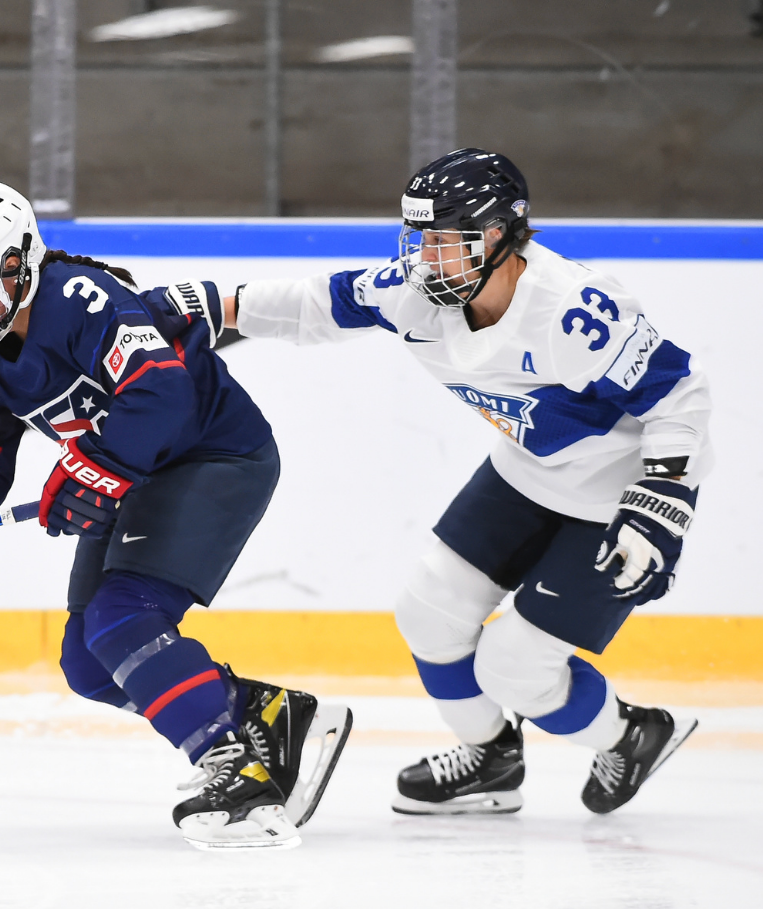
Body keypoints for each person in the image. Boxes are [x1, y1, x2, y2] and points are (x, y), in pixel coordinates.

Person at [225, 149, 707, 816]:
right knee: (429, 614)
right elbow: (317, 303)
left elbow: (680, 394)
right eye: (423, 238)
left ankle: (634, 735)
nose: (431, 258)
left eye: (453, 241)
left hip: (615, 499)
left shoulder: (574, 310)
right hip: (526, 474)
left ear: (507, 235)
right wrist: (211, 308)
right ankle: (491, 758)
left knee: (515, 666)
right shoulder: (416, 293)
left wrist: (663, 501)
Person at [0, 181, 351, 850]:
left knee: (123, 620)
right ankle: (265, 716)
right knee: (91, 664)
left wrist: (95, 467)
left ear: (15, 267)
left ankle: (234, 765)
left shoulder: (76, 298)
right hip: (130, 473)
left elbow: (160, 391)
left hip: (213, 457)